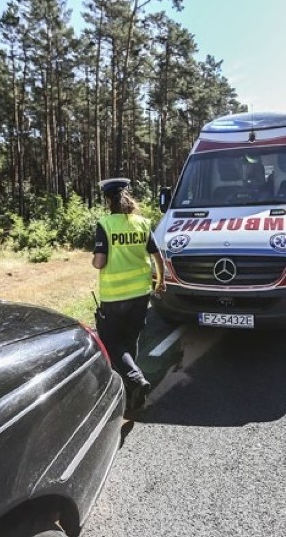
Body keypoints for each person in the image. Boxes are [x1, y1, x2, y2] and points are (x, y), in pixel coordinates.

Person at [92, 177, 166, 413]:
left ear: (107, 200)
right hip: (140, 293)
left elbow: (99, 261)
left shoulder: (105, 224)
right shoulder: (143, 223)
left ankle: (135, 380)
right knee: (130, 340)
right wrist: (161, 281)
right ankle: (134, 394)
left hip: (114, 297)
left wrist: (95, 260)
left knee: (111, 343)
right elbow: (158, 256)